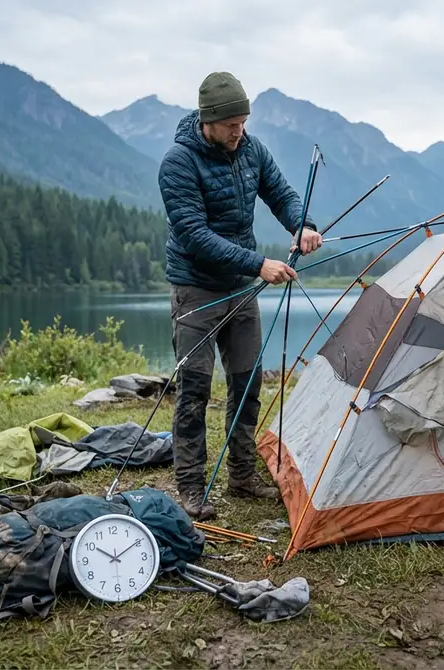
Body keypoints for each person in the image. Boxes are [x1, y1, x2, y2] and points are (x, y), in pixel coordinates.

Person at [158, 71, 323, 520]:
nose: (240, 131)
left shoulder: (250, 149)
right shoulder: (178, 163)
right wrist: (258, 264)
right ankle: (191, 488)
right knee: (193, 389)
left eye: (244, 122)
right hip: (197, 289)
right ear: (209, 122)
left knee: (247, 382)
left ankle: (243, 476)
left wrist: (301, 224)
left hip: (240, 291)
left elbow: (281, 193)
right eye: (232, 124)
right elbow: (194, 236)